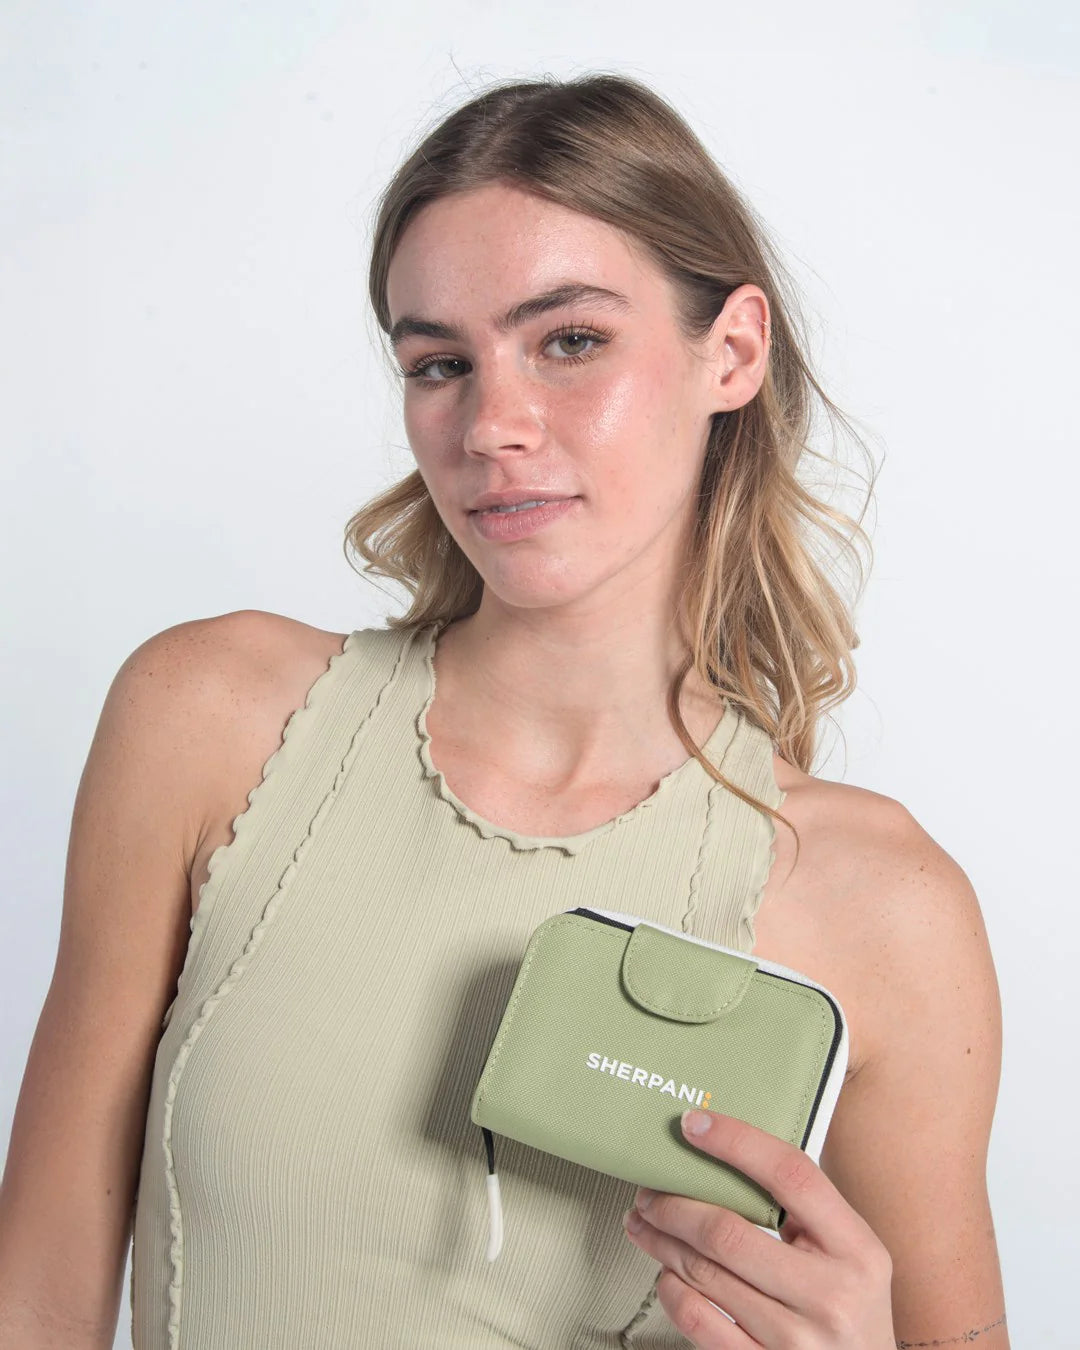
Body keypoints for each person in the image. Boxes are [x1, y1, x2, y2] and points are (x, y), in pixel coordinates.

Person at [0, 73, 1008, 1350]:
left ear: (733, 352)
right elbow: (36, 1298)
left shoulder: (884, 904)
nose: (492, 425)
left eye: (570, 341)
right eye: (439, 364)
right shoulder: (210, 720)